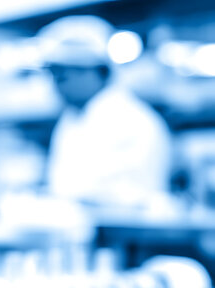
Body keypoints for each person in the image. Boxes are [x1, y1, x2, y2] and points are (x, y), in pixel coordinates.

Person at [39, 16, 173, 206]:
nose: (56, 85)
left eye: (63, 76)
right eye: (54, 75)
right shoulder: (72, 119)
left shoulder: (133, 121)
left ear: (99, 72)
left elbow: (131, 199)